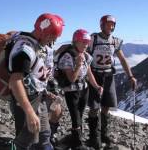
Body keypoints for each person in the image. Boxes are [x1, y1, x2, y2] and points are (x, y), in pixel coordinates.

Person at [8, 13, 64, 150]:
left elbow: (34, 76)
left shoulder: (37, 46)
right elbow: (15, 81)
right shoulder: (25, 50)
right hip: (26, 103)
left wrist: (44, 91)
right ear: (45, 33)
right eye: (53, 37)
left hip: (38, 99)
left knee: (44, 138)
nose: (53, 40)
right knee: (24, 142)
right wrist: (30, 113)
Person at [87, 15, 137, 149]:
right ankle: (93, 136)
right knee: (94, 107)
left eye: (113, 25)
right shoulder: (93, 39)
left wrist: (130, 76)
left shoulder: (115, 41)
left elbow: (122, 59)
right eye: (108, 24)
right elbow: (84, 55)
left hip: (108, 76)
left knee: (106, 106)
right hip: (95, 75)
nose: (111, 27)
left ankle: (103, 134)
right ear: (102, 25)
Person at [57, 29, 103, 150]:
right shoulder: (68, 56)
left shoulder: (86, 56)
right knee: (75, 116)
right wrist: (77, 65)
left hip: (84, 89)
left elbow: (88, 72)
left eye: (87, 42)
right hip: (72, 91)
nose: (86, 45)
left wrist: (96, 86)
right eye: (83, 42)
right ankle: (77, 144)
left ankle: (75, 139)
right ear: (75, 41)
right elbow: (71, 78)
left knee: (80, 115)